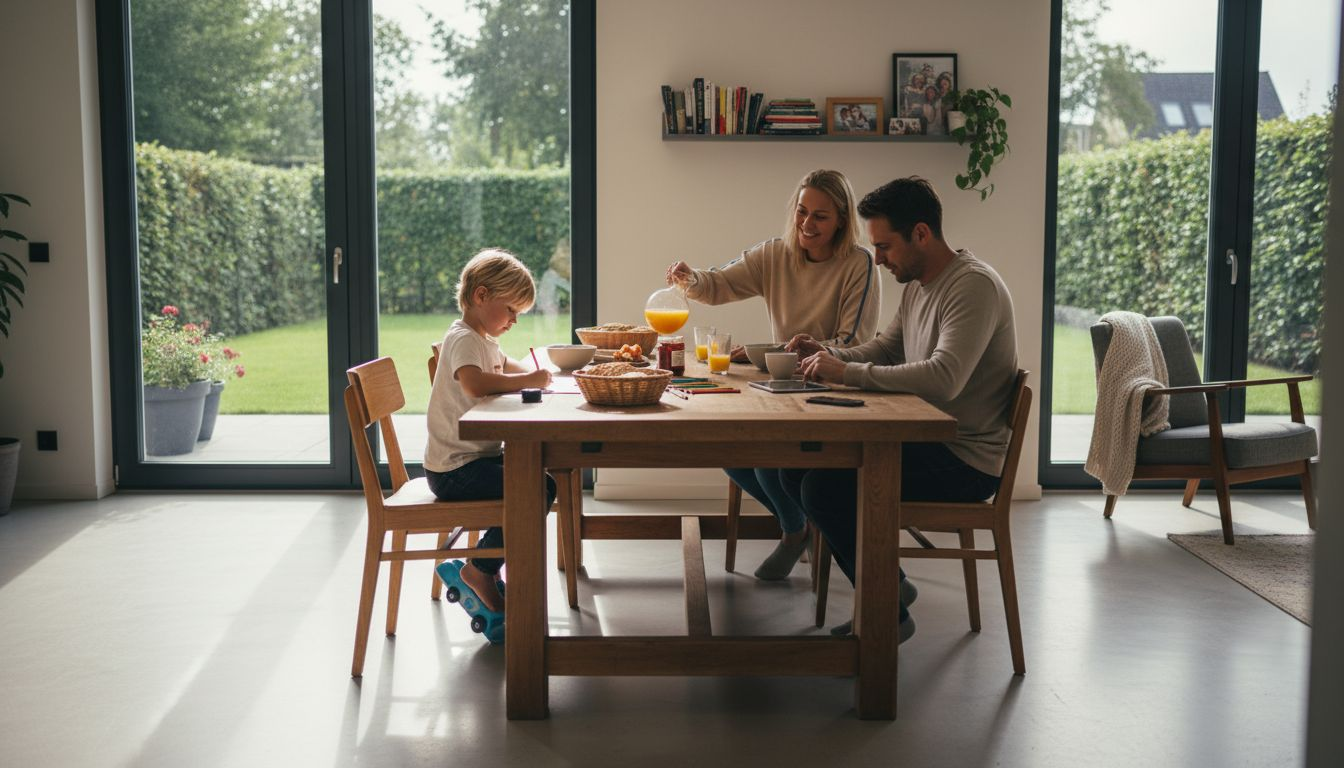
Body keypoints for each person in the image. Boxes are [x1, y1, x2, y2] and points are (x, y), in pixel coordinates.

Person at [782, 176, 1019, 641]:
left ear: (922, 234)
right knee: (797, 467)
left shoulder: (973, 287)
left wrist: (844, 374)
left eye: (885, 246)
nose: (879, 259)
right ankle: (891, 589)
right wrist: (827, 356)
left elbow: (944, 378)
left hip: (963, 460)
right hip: (926, 441)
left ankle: (886, 614)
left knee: (825, 490)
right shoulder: (918, 282)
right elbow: (888, 348)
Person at [664, 169, 882, 581]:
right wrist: (689, 280)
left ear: (841, 219)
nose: (806, 224)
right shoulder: (775, 254)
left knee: (768, 461)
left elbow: (851, 340)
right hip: (781, 384)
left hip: (830, 386)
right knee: (730, 453)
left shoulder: (858, 264)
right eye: (802, 212)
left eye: (820, 216)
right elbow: (719, 284)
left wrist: (776, 350)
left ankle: (792, 533)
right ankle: (798, 526)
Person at [423, 249, 555, 644]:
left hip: (471, 462)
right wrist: (528, 380)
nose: (515, 321)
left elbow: (509, 367)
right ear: (481, 296)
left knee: (535, 482)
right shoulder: (463, 339)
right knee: (537, 487)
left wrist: (539, 370)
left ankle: (486, 565)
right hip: (455, 471)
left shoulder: (481, 339)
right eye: (512, 310)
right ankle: (480, 568)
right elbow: (476, 384)